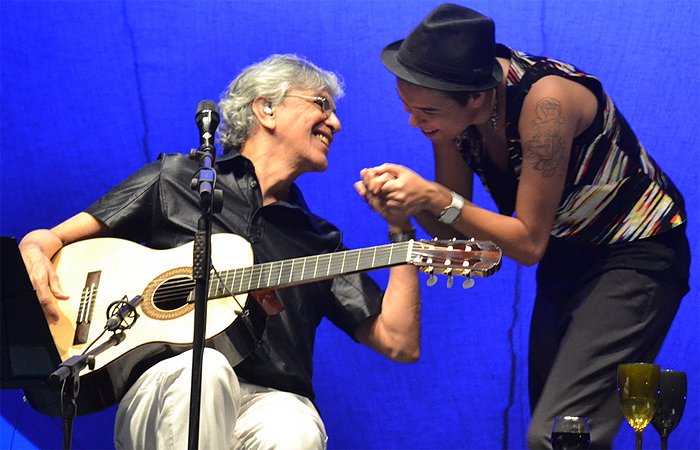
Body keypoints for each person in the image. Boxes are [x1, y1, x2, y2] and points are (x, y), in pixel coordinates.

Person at [19, 54, 421, 450]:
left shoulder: (318, 241)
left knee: (295, 427)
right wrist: (33, 247)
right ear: (266, 108)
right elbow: (50, 239)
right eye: (321, 105)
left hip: (270, 402)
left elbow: (399, 341)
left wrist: (402, 232)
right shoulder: (175, 178)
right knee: (205, 370)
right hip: (168, 389)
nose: (335, 122)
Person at [355, 4, 690, 449]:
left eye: (427, 111)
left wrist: (433, 196)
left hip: (636, 253)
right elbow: (458, 239)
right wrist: (404, 210)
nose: (415, 121)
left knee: (560, 433)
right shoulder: (456, 120)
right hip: (565, 257)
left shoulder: (546, 103)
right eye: (407, 107)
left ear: (476, 95)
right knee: (558, 429)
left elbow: (528, 243)